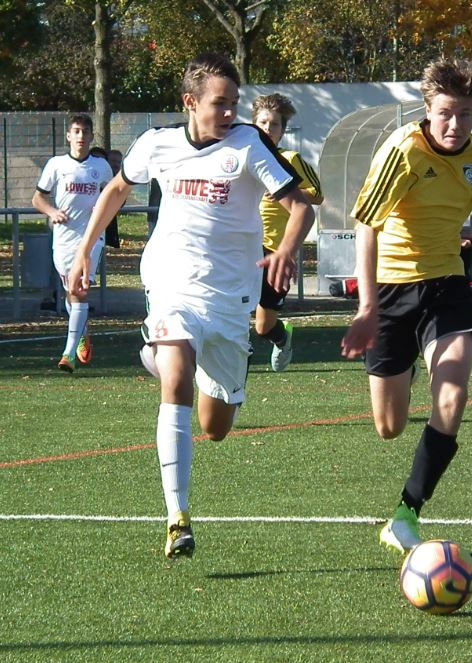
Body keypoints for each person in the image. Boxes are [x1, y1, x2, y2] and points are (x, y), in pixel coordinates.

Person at [67, 53, 315, 559]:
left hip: (230, 299)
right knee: (177, 374)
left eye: (233, 104)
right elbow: (117, 189)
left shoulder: (249, 145)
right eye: (219, 103)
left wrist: (286, 250)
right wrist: (84, 251)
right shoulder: (156, 143)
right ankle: (177, 517)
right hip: (172, 283)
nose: (228, 113)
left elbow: (301, 208)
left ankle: (171, 357)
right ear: (190, 102)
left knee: (214, 427)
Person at [341, 58, 472, 555]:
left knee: (453, 395)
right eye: (446, 113)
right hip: (390, 290)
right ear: (428, 109)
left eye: (465, 114)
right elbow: (366, 227)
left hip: (447, 284)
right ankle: (407, 364)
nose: (455, 124)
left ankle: (406, 512)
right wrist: (367, 307)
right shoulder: (402, 150)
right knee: (389, 427)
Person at [32, 114, 113, 372]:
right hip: (64, 239)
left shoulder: (101, 167)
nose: (80, 136)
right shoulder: (56, 165)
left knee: (79, 290)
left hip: (91, 237)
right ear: (68, 136)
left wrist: (103, 211)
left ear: (91, 137)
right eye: (76, 131)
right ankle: (83, 330)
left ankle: (68, 354)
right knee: (71, 291)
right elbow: (38, 198)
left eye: (85, 132)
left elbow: (114, 196)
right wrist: (52, 212)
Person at [251, 93, 324, 371]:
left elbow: (317, 194)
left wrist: (287, 193)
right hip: (244, 248)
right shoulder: (244, 156)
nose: (268, 129)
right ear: (254, 124)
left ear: (283, 130)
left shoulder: (290, 159)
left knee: (263, 326)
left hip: (275, 252)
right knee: (232, 313)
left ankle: (282, 338)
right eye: (263, 123)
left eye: (274, 124)